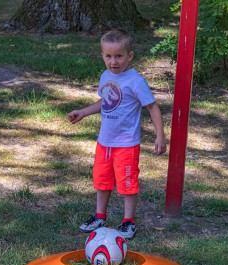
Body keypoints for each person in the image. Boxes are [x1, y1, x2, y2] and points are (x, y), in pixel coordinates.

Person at [68, 28, 166, 239]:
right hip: (105, 142)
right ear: (102, 55)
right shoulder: (105, 76)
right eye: (108, 56)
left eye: (119, 56)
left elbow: (152, 107)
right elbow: (106, 102)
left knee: (127, 184)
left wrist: (160, 136)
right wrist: (83, 112)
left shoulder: (135, 81)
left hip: (126, 144)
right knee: (102, 181)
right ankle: (99, 216)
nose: (114, 61)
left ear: (129, 56)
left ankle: (128, 221)